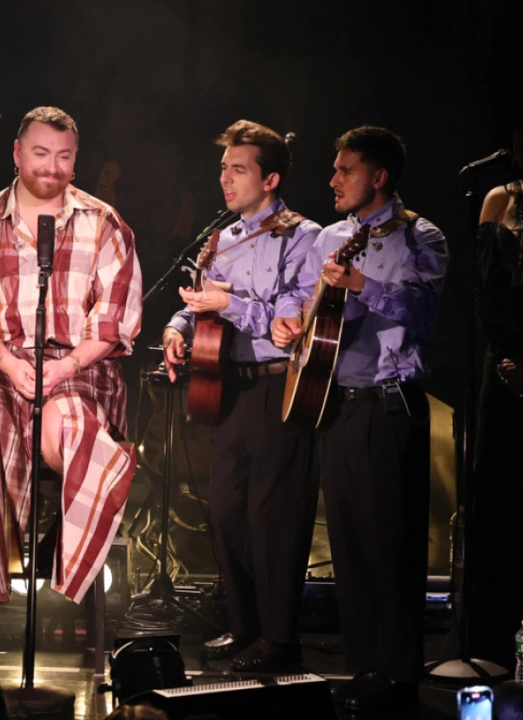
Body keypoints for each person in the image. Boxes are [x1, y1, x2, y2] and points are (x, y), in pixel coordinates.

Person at [0, 106, 142, 627]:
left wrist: (65, 366)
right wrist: (9, 363)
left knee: (71, 427)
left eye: (63, 157)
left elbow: (115, 319)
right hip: (2, 361)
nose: (52, 167)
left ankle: (68, 574)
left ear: (75, 159)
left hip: (81, 364)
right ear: (17, 153)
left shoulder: (105, 223)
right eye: (40, 153)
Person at [271, 126, 448, 711]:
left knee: (391, 545)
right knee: (348, 546)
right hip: (337, 404)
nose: (333, 180)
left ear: (379, 176)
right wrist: (290, 321)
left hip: (390, 405)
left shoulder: (422, 235)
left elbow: (422, 309)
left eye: (345, 170)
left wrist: (363, 284)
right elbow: (303, 301)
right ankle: (363, 669)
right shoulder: (330, 236)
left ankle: (397, 676)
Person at [162, 120, 321, 672]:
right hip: (228, 387)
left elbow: (291, 320)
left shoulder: (305, 236)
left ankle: (279, 639)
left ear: (270, 178)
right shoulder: (221, 238)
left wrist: (228, 305)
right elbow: (198, 303)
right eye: (223, 168)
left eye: (238, 169)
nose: (225, 179)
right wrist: (178, 327)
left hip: (279, 386)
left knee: (273, 518)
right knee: (228, 515)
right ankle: (244, 626)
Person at [461, 126, 523, 670]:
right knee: (498, 495)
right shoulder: (500, 198)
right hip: (505, 366)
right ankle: (491, 642)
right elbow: (486, 288)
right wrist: (507, 357)